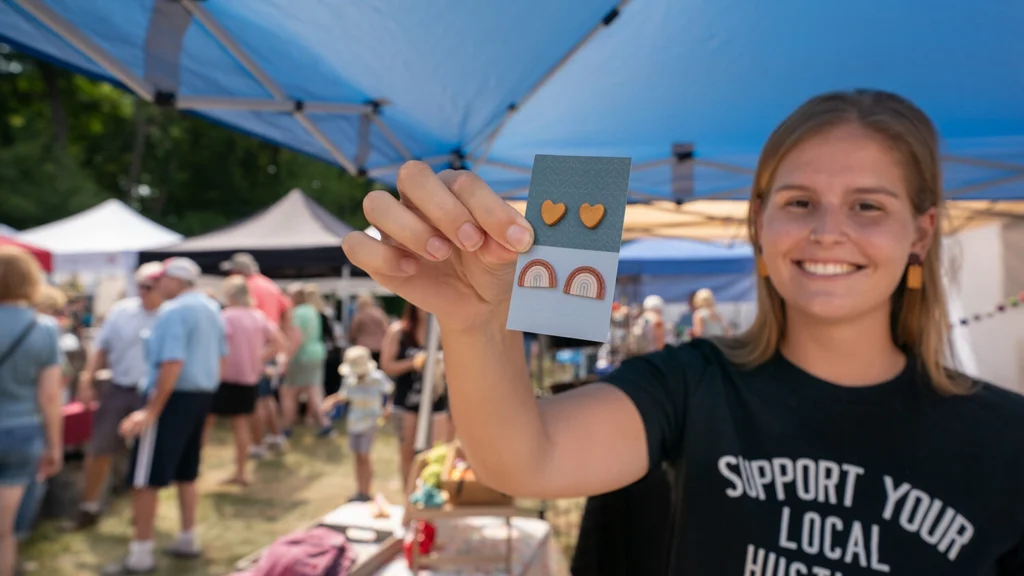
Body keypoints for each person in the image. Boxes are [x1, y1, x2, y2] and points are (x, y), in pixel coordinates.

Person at [344, 90, 1024, 573]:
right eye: (799, 202)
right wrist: (476, 325)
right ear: (759, 223)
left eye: (867, 205)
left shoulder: (1006, 439)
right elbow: (527, 457)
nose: (827, 230)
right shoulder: (691, 384)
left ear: (921, 233)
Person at [105, 257, 227, 575]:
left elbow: (172, 362)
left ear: (175, 280)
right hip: (199, 398)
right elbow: (220, 359)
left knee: (145, 479)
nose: (156, 286)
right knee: (187, 473)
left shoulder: (174, 311)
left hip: (172, 400)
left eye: (161, 280)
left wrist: (150, 410)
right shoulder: (210, 308)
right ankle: (188, 538)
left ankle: (140, 555)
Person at [70, 262, 165, 530]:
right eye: (142, 285)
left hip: (152, 393)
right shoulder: (122, 311)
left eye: (151, 286)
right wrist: (87, 379)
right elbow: (101, 348)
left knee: (147, 455)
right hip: (119, 387)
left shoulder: (169, 315)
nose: (145, 291)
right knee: (100, 448)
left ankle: (141, 514)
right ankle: (89, 506)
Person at [0, 247, 64, 576]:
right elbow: (50, 397)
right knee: (5, 531)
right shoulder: (44, 329)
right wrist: (55, 445)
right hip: (21, 432)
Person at [207, 275, 285, 486]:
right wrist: (259, 358)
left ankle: (192, 470)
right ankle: (241, 472)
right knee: (241, 425)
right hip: (249, 377)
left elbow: (214, 346)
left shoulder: (226, 316)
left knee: (206, 423)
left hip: (223, 377)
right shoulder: (258, 316)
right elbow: (279, 342)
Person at [219, 252, 291, 453]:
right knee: (266, 398)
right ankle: (275, 436)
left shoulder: (246, 288)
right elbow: (287, 313)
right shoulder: (271, 285)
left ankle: (258, 444)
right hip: (268, 346)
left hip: (253, 349)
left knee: (255, 401)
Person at [379, 302, 450, 490]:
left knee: (437, 453)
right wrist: (414, 363)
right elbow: (387, 365)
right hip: (407, 399)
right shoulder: (399, 332)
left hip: (437, 399)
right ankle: (410, 499)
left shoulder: (444, 330)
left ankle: (431, 499)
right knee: (408, 453)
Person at [323, 345, 394, 502]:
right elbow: (344, 395)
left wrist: (388, 408)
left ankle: (366, 491)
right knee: (357, 457)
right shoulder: (350, 379)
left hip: (370, 422)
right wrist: (331, 401)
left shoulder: (377, 378)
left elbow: (390, 392)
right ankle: (360, 490)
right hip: (354, 422)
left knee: (364, 456)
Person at [279, 284, 332, 438]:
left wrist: (286, 358)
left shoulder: (297, 313)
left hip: (302, 356)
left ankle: (286, 427)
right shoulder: (312, 310)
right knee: (314, 390)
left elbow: (296, 339)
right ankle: (324, 423)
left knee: (289, 392)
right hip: (317, 353)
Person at [348, 293, 389, 364]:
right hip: (379, 347)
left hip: (362, 348)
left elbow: (353, 332)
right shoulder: (379, 313)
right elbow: (386, 329)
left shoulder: (359, 315)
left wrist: (351, 340)